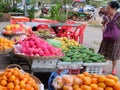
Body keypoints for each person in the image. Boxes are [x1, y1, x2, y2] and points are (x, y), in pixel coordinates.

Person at [98, 1, 120, 75]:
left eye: (109, 8)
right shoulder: (106, 16)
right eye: (107, 8)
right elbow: (103, 23)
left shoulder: (119, 16)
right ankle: (103, 67)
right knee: (104, 51)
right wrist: (104, 26)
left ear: (114, 8)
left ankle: (113, 68)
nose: (107, 9)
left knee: (114, 53)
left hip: (116, 38)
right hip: (106, 36)